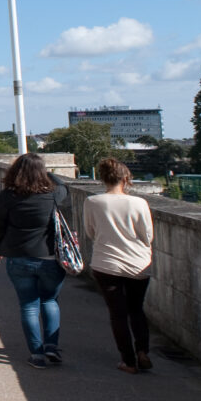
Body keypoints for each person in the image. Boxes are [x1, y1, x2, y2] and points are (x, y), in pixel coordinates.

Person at [0, 152, 65, 367]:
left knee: (29, 306)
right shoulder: (53, 195)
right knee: (49, 301)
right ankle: (52, 346)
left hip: (19, 256)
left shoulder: (8, 196)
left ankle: (37, 354)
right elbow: (64, 186)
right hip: (49, 257)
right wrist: (47, 173)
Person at [83, 157, 156, 373]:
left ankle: (128, 360)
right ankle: (143, 350)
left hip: (107, 263)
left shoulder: (93, 202)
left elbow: (90, 232)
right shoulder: (139, 203)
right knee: (136, 309)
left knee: (117, 313)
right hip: (137, 263)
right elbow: (148, 235)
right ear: (126, 179)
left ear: (103, 178)